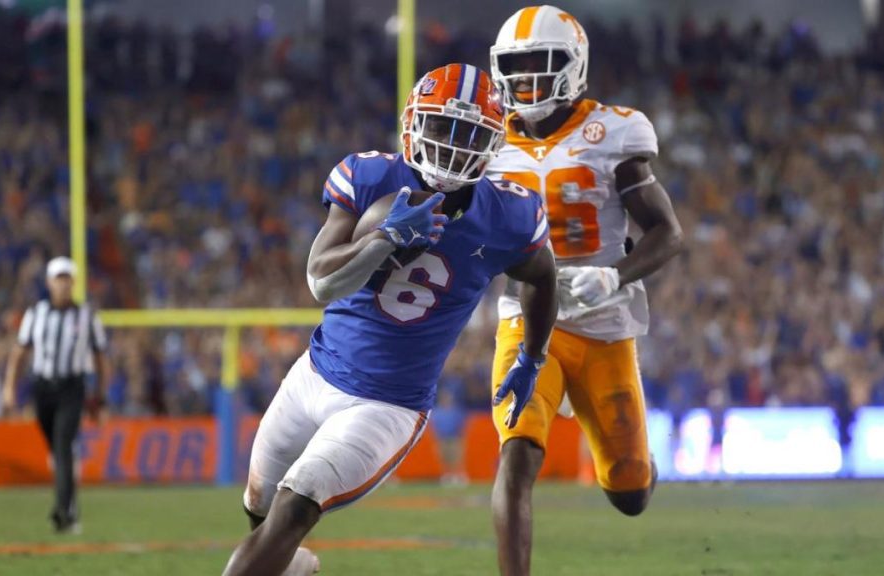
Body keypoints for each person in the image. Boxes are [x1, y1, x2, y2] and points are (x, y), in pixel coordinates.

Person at [223, 64, 558, 576]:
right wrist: (383, 238)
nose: (453, 145)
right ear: (413, 123)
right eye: (442, 126)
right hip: (313, 374)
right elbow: (321, 280)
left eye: (469, 134)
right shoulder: (372, 178)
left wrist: (532, 356)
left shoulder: (509, 215)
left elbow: (543, 277)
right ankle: (295, 568)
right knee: (260, 509)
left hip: (387, 405)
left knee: (294, 508)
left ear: (493, 143)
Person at [485, 6, 685, 575]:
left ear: (573, 65)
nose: (526, 78)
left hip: (602, 323)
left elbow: (668, 233)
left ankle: (638, 461)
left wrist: (614, 274)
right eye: (516, 66)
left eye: (540, 63)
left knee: (629, 491)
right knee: (516, 454)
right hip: (527, 319)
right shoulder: (487, 140)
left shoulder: (612, 132)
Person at [2, 257, 109, 533]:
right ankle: (69, 491)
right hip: (42, 388)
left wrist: (100, 396)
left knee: (62, 446)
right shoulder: (36, 314)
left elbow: (100, 358)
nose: (63, 284)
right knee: (57, 450)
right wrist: (9, 386)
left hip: (72, 387)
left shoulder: (87, 316)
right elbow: (20, 352)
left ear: (73, 282)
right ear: (49, 282)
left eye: (67, 278)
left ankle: (63, 511)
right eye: (58, 279)